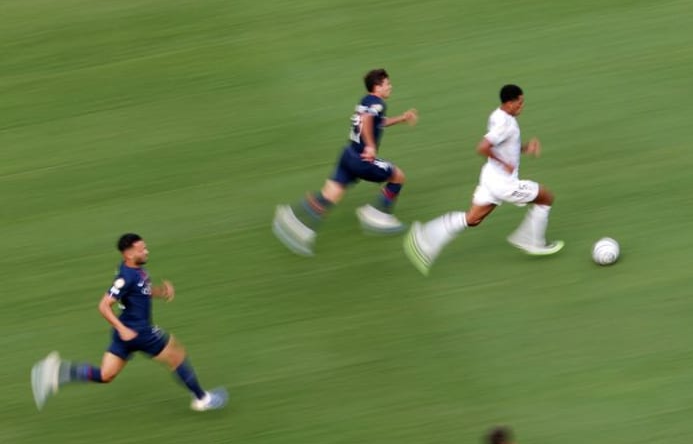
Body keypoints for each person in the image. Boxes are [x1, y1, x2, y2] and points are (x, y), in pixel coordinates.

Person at [30, 233, 227, 412]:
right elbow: (104, 305)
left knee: (106, 375)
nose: (146, 251)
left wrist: (160, 292)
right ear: (129, 253)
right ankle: (202, 399)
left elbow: (140, 291)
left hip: (126, 334)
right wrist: (122, 329)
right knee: (177, 356)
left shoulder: (136, 270)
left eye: (145, 248)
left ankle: (56, 371)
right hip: (140, 332)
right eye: (142, 249)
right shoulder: (125, 277)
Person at [404, 84, 563, 275]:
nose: (522, 106)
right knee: (546, 198)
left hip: (489, 178)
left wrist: (524, 148)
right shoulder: (506, 124)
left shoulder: (497, 115)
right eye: (519, 103)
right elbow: (482, 147)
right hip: (504, 184)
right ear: (509, 103)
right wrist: (504, 164)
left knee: (472, 219)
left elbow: (503, 145)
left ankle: (425, 238)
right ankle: (531, 241)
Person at [273, 68, 418, 256]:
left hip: (348, 155)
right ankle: (378, 214)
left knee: (329, 196)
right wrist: (370, 146)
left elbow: (377, 122)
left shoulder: (366, 101)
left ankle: (294, 219)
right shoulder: (378, 103)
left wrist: (402, 118)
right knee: (398, 177)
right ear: (377, 87)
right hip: (362, 160)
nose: (390, 87)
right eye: (387, 84)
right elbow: (367, 120)